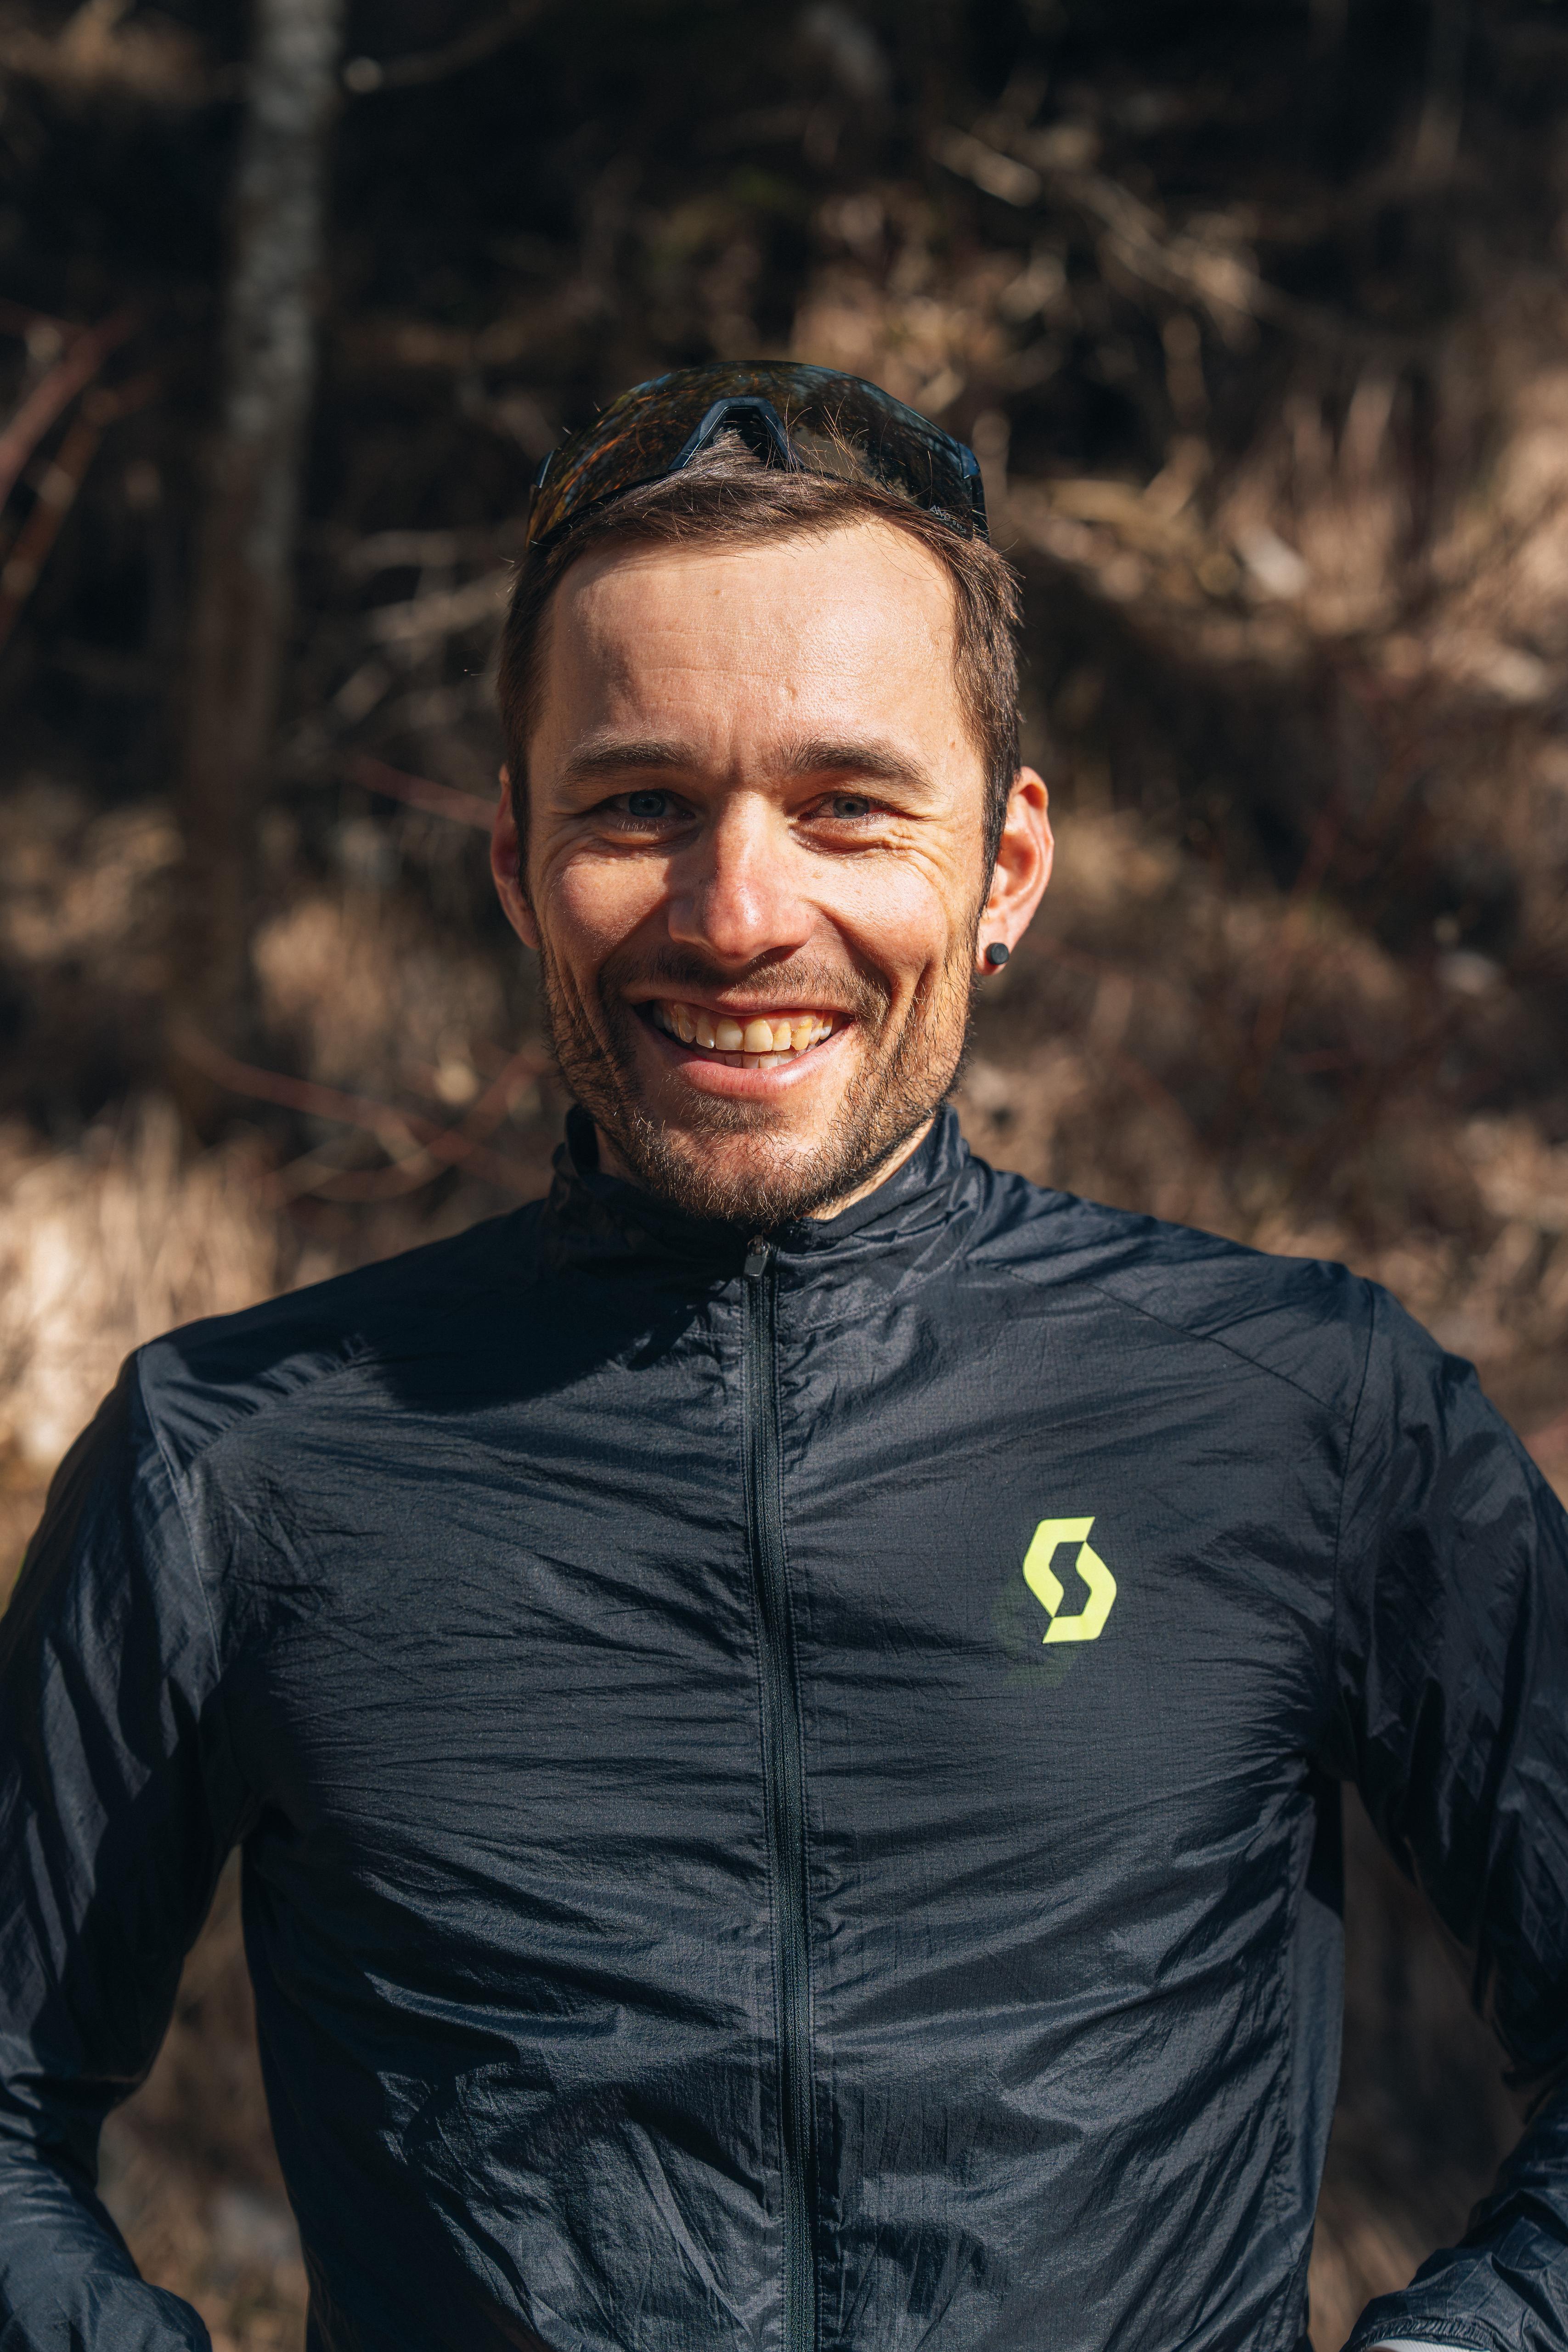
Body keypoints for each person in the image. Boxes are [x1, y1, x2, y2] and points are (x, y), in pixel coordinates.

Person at [0, 363, 1564, 2352]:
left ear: (999, 868)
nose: (740, 913)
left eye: (844, 804)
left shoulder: (1298, 1416)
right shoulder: (238, 1460)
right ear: (513, 863)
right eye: (641, 804)